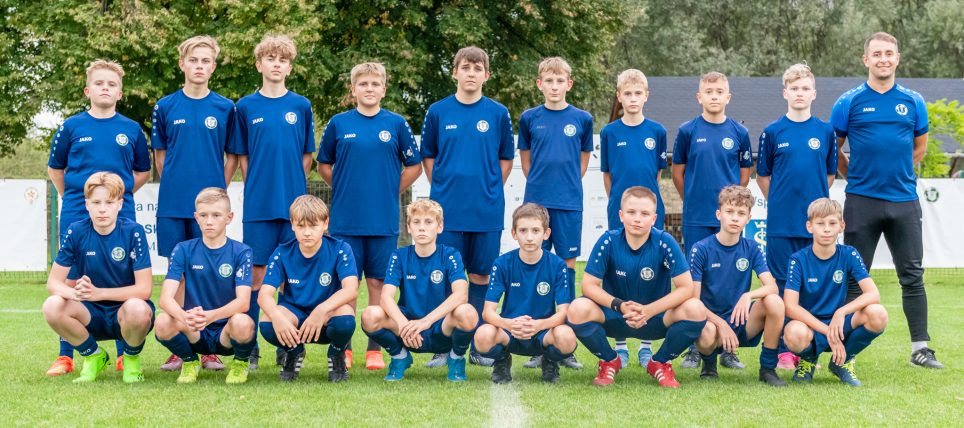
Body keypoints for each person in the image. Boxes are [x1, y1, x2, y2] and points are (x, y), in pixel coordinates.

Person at [830, 31, 941, 369]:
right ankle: (844, 352)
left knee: (912, 275)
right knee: (854, 277)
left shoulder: (913, 101)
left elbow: (919, 147)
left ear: (897, 58)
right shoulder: (848, 101)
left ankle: (920, 349)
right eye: (876, 54)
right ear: (866, 59)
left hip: (904, 201)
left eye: (889, 53)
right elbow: (834, 148)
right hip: (861, 201)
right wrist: (855, 175)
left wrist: (898, 173)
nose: (883, 59)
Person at [46, 60, 151, 376]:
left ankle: (123, 353)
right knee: (71, 281)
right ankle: (68, 355)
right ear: (87, 90)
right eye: (99, 83)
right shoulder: (71, 126)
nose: (105, 88)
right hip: (78, 209)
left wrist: (116, 197)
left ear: (120, 93)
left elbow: (142, 172)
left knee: (120, 277)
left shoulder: (131, 129)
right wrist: (76, 197)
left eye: (112, 84)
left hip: (119, 209)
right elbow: (55, 169)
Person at [318, 62, 422, 370]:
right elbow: (324, 165)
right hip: (346, 221)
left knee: (378, 284)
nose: (369, 88)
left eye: (375, 84)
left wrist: (390, 189)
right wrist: (344, 187)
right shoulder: (338, 123)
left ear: (384, 89)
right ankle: (345, 348)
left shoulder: (396, 124)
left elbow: (414, 166)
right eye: (363, 84)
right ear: (353, 89)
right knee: (347, 286)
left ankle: (374, 349)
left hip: (382, 221)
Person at [420, 46, 514, 367]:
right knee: (447, 278)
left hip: (486, 211)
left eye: (477, 68)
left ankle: (476, 345)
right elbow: (429, 157)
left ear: (486, 75)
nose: (471, 73)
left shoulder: (498, 113)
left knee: (481, 276)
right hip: (447, 212)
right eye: (465, 67)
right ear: (455, 72)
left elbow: (505, 159)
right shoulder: (438, 111)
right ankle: (443, 345)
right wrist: (444, 188)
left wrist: (488, 187)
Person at [152, 35, 238, 372]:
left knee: (210, 274)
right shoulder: (165, 106)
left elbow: (232, 157)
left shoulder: (225, 107)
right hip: (173, 204)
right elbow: (161, 157)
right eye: (193, 60)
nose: (199, 66)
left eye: (205, 61)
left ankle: (208, 348)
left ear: (213, 67)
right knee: (178, 275)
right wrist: (178, 185)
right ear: (182, 64)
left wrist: (216, 193)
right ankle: (181, 345)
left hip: (210, 208)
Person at [232, 34, 316, 370]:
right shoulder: (245, 106)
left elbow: (306, 156)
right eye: (270, 59)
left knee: (289, 276)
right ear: (259, 64)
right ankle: (250, 346)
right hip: (259, 206)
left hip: (294, 208)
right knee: (256, 276)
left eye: (283, 60)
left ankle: (287, 345)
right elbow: (242, 157)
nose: (277, 65)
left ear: (290, 67)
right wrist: (259, 185)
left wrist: (291, 185)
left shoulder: (301, 106)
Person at [567, 187, 707, 388]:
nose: (637, 219)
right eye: (631, 212)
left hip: (655, 318)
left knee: (696, 309)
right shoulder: (608, 240)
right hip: (616, 316)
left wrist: (649, 310)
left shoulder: (665, 242)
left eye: (645, 214)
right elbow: (588, 285)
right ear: (621, 215)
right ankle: (609, 360)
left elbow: (686, 287)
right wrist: (620, 305)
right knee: (577, 308)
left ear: (654, 218)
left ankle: (660, 363)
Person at [757, 63, 837, 369]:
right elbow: (763, 176)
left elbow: (828, 176)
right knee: (780, 287)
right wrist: (780, 203)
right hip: (781, 225)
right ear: (785, 93)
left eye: (805, 88)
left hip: (815, 227)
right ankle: (782, 351)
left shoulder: (825, 131)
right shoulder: (772, 132)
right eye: (794, 88)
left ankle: (807, 350)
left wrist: (814, 211)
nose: (799, 93)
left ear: (814, 93)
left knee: (811, 287)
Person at [671, 71, 753, 370]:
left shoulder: (739, 132)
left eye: (720, 91)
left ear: (728, 97)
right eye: (709, 91)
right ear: (699, 97)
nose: (714, 96)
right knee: (696, 281)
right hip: (696, 218)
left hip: (729, 219)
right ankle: (695, 344)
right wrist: (693, 200)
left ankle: (729, 348)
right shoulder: (687, 131)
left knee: (732, 279)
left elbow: (744, 177)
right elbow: (677, 173)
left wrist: (731, 207)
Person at [41, 172, 153, 383]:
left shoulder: (134, 232)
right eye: (96, 202)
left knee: (138, 308)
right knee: (52, 306)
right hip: (89, 312)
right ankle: (93, 356)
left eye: (109, 202)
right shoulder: (76, 231)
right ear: (87, 205)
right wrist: (76, 293)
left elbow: (144, 289)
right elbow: (53, 283)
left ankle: (130, 359)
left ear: (120, 204)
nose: (102, 209)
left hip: (124, 311)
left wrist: (98, 293)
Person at [516, 57, 590, 371]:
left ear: (569, 84)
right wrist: (542, 188)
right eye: (549, 81)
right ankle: (538, 341)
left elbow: (582, 162)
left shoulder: (583, 118)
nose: (555, 86)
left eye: (560, 81)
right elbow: (526, 162)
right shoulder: (529, 118)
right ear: (540, 84)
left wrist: (565, 185)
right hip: (537, 205)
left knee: (567, 267)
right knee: (537, 266)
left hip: (569, 203)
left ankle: (564, 341)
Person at [361, 199, 477, 382]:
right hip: (407, 330)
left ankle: (456, 358)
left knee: (467, 312)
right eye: (416, 222)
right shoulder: (399, 256)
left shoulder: (450, 255)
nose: (422, 228)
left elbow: (461, 294)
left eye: (428, 222)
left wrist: (425, 322)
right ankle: (399, 357)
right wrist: (403, 325)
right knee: (370, 315)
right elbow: (385, 297)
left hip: (441, 328)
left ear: (439, 227)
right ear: (409, 227)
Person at [599, 68, 668, 369]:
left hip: (649, 211)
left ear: (646, 96)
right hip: (620, 211)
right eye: (627, 94)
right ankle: (620, 343)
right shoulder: (609, 133)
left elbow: (657, 174)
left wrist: (643, 208)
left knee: (651, 273)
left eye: (638, 93)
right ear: (619, 96)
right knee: (618, 272)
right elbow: (607, 175)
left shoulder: (657, 131)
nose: (632, 98)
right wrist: (621, 204)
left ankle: (646, 342)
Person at [154, 188, 256, 384]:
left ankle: (241, 363)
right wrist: (185, 317)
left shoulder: (242, 252)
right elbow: (165, 299)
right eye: (203, 215)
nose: (209, 221)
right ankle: (189, 361)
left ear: (229, 217)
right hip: (194, 328)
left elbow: (243, 302)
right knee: (163, 322)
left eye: (216, 215)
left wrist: (210, 316)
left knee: (243, 322)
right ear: (196, 218)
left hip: (226, 331)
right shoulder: (183, 249)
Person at [783, 198, 889, 386]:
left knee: (878, 314)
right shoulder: (798, 259)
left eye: (832, 223)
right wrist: (827, 331)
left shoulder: (849, 254)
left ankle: (843, 361)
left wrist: (841, 312)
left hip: (840, 323)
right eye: (820, 223)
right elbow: (790, 307)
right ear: (809, 226)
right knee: (793, 333)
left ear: (841, 226)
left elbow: (873, 294)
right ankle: (808, 360)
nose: (826, 229)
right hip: (811, 325)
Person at [690, 186, 787, 386]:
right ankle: (709, 365)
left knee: (774, 301)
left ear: (748, 218)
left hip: (741, 320)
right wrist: (721, 324)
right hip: (711, 323)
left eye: (741, 213)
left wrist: (748, 296)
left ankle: (767, 369)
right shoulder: (701, 249)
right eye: (730, 211)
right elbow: (693, 302)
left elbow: (772, 287)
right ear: (719, 214)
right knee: (705, 331)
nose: (735, 218)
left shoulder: (751, 248)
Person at [256, 195, 357, 382]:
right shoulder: (282, 252)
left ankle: (336, 354)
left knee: (346, 316)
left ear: (325, 223)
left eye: (313, 226)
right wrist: (277, 316)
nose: (307, 232)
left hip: (326, 318)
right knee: (267, 322)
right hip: (296, 318)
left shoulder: (341, 249)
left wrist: (322, 310)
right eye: (301, 226)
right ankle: (294, 351)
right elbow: (264, 295)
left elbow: (351, 289)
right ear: (292, 225)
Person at [475, 203, 577, 384]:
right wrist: (510, 324)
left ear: (546, 233)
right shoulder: (502, 263)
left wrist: (539, 325)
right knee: (482, 336)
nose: (529, 237)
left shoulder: (557, 265)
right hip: (510, 331)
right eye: (523, 231)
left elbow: (564, 313)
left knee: (567, 337)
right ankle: (501, 360)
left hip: (543, 332)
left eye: (535, 231)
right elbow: (487, 312)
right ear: (514, 233)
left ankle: (550, 360)